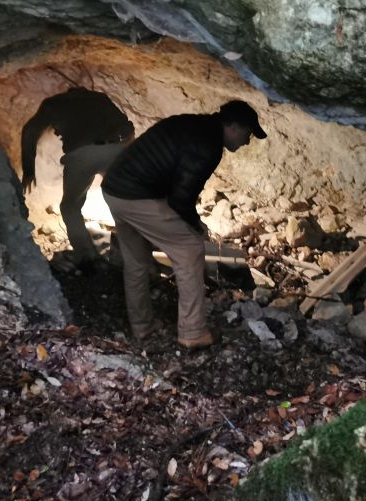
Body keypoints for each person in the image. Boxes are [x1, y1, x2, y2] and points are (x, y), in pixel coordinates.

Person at [101, 100, 267, 349]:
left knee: (136, 260)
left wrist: (190, 220)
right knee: (190, 249)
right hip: (136, 194)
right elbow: (181, 197)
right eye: (248, 134)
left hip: (114, 189)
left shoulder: (194, 125)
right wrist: (194, 225)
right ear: (232, 127)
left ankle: (141, 327)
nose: (247, 141)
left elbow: (176, 185)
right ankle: (193, 332)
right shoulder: (207, 144)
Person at [21, 89, 134, 263]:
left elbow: (30, 131)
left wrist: (28, 169)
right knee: (122, 201)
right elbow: (127, 128)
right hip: (114, 148)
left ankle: (86, 257)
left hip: (80, 155)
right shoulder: (98, 98)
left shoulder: (53, 104)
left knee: (70, 206)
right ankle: (134, 252)